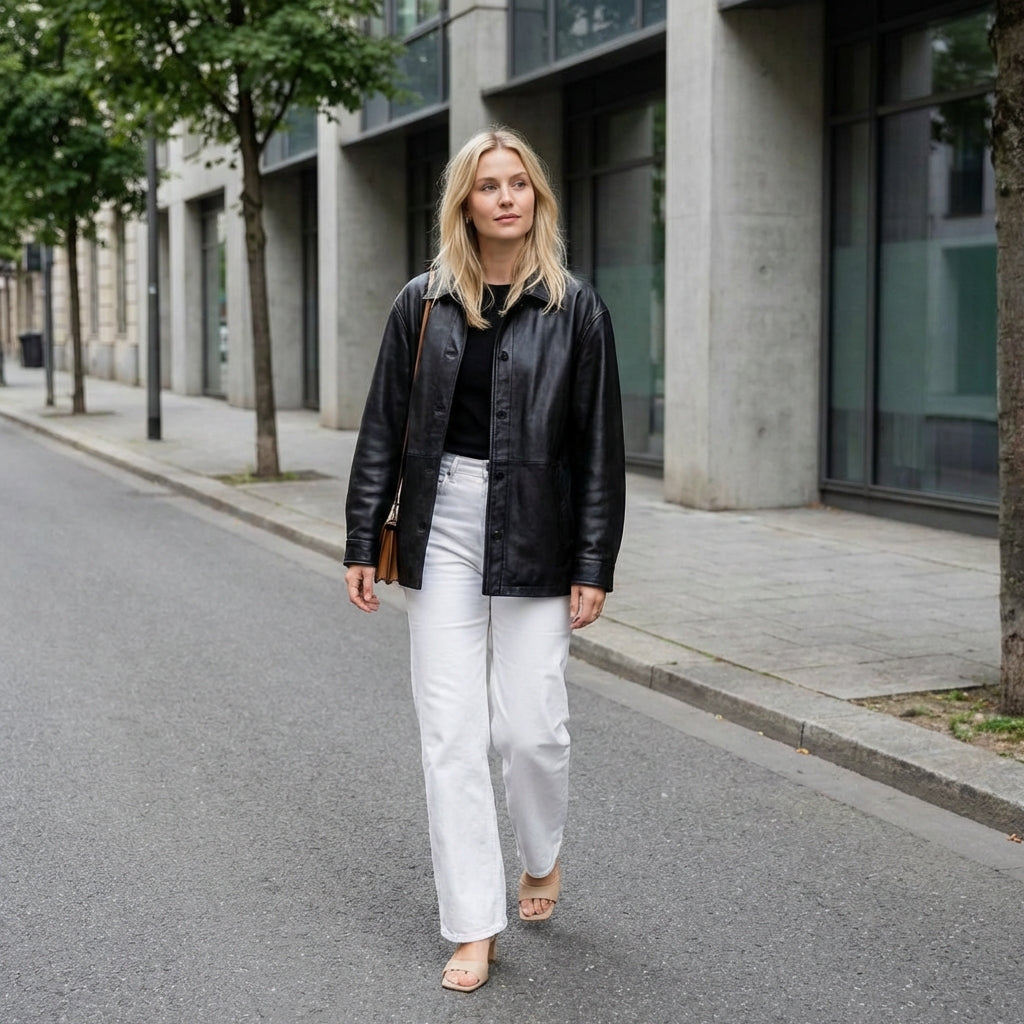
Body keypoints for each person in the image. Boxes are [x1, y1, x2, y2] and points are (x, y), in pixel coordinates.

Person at [343, 126, 625, 993]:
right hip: (444, 523)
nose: (506, 197)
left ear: (536, 198)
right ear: (463, 201)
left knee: (532, 728)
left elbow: (599, 450)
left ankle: (540, 855)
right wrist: (362, 537)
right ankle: (473, 925)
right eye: (488, 185)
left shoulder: (576, 309)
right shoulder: (421, 302)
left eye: (520, 184)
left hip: (539, 522)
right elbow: (383, 425)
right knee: (451, 735)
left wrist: (593, 561)